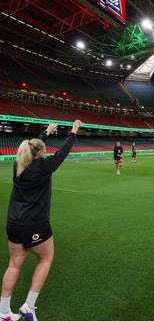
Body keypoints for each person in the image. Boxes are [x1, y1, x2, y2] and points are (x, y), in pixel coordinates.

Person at [0, 120, 82, 321]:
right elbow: (63, 151)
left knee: (14, 264)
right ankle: (28, 306)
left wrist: (47, 131)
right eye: (43, 150)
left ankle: (3, 313)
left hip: (13, 224)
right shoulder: (44, 166)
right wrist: (73, 131)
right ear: (40, 153)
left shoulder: (18, 164)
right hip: (35, 224)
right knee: (45, 260)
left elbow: (34, 145)